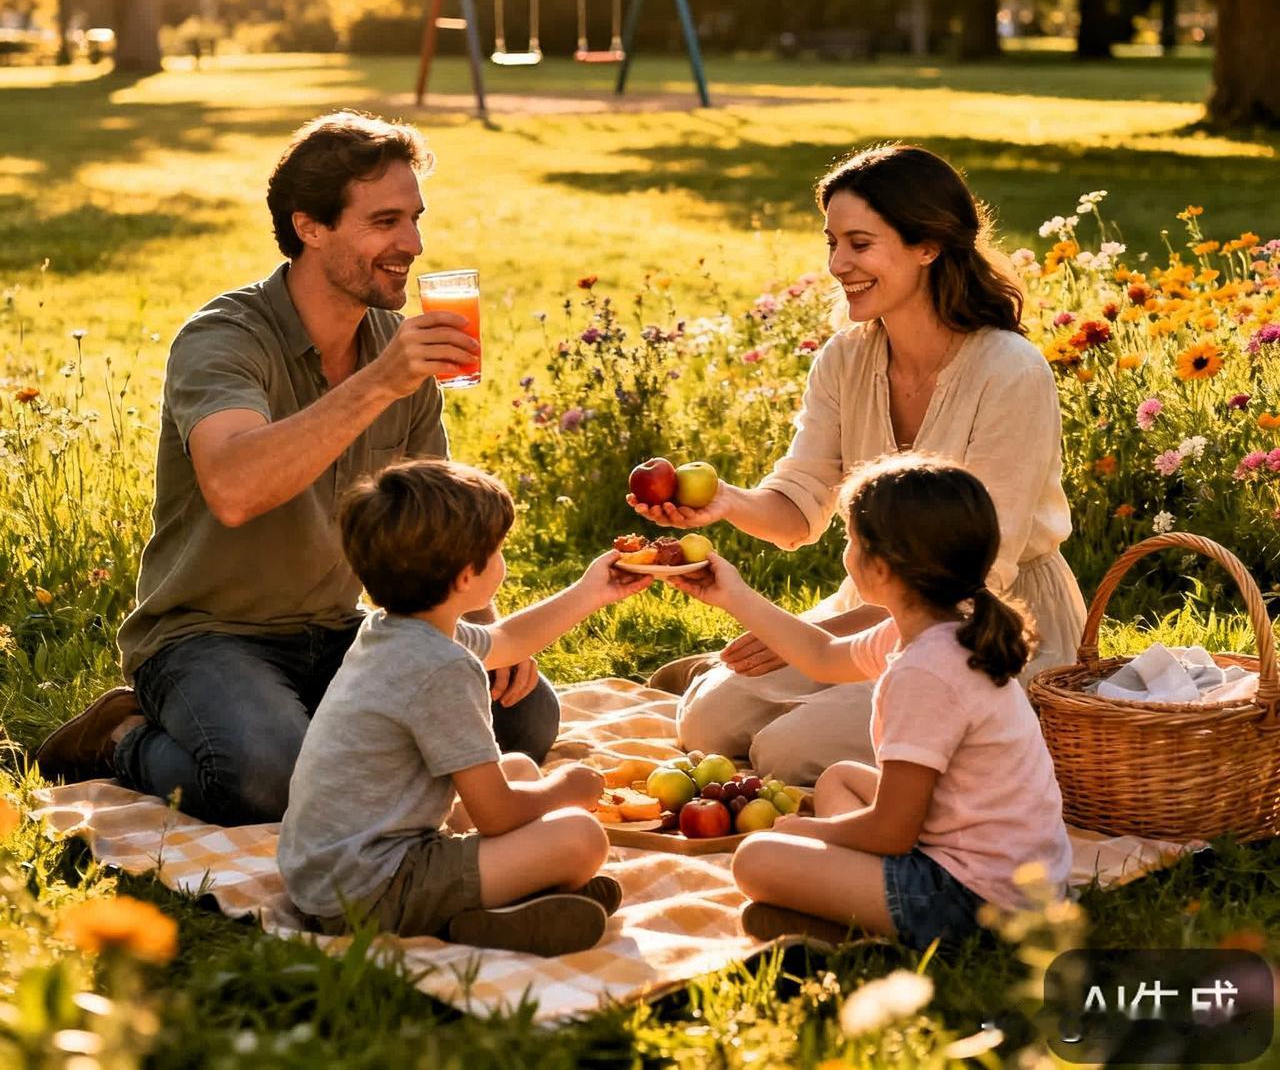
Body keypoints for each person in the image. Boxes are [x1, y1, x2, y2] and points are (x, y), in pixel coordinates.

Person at [35, 112, 560, 823]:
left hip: (341, 628)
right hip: (206, 636)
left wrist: (482, 638)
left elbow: (442, 526)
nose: (412, 243)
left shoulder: (398, 348)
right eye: (385, 222)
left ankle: (329, 739)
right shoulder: (225, 338)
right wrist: (379, 381)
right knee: (269, 780)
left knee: (520, 721)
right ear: (310, 227)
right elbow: (234, 488)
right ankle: (121, 738)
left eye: (414, 218)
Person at [637, 144, 1086, 784]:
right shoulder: (846, 359)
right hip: (872, 604)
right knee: (709, 722)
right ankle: (734, 680)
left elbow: (978, 570)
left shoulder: (1010, 371)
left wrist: (805, 639)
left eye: (859, 244)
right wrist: (726, 503)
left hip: (984, 622)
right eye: (832, 243)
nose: (836, 265)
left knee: (787, 753)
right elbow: (798, 513)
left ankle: (804, 700)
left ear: (927, 245)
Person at [670, 455, 1072, 949]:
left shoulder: (925, 672)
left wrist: (809, 832)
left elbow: (891, 832)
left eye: (851, 542)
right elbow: (819, 655)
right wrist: (732, 594)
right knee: (839, 776)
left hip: (977, 902)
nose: (847, 552)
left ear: (879, 568)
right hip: (1008, 872)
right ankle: (844, 916)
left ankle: (865, 929)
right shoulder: (940, 628)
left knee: (757, 856)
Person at [280, 459, 651, 955]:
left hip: (328, 871)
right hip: (369, 891)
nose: (503, 559)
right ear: (465, 577)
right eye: (496, 552)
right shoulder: (442, 668)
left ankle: (506, 913)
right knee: (581, 837)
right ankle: (473, 911)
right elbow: (495, 816)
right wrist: (567, 787)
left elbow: (506, 639)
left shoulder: (391, 629)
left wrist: (591, 591)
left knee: (516, 765)